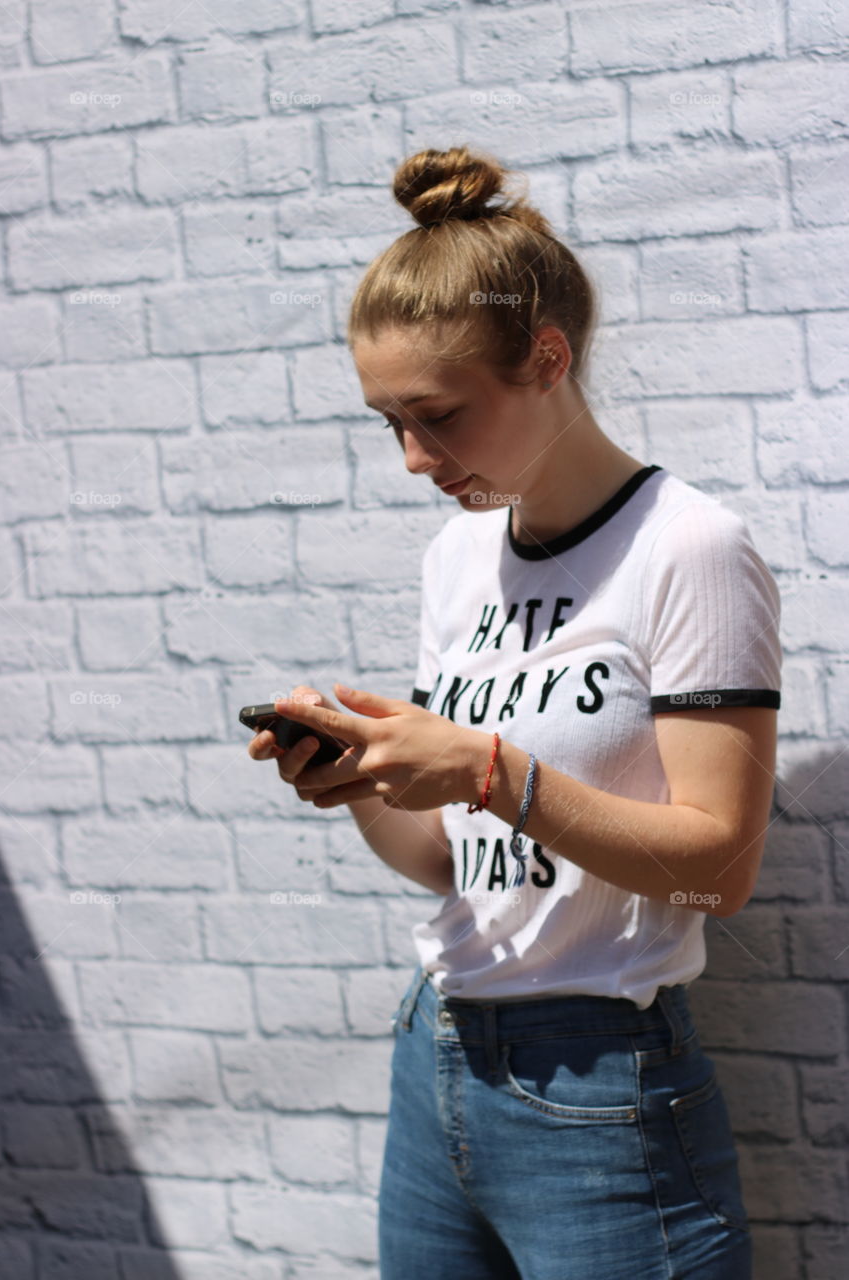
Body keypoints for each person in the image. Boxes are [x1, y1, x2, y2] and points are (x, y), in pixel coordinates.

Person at [248, 145, 781, 1279]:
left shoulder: (687, 549)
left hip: (598, 1088)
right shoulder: (457, 559)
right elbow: (455, 861)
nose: (409, 458)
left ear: (547, 358)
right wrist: (356, 780)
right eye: (385, 419)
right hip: (434, 1051)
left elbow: (715, 874)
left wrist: (490, 766)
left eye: (436, 415)